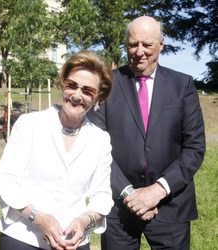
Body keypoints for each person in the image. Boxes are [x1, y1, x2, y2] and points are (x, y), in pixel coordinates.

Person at [88, 16, 206, 249]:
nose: (139, 51)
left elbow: (194, 147)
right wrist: (129, 194)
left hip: (171, 204)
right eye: (133, 44)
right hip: (119, 205)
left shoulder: (182, 85)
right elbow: (94, 145)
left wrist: (158, 190)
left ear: (161, 44)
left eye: (147, 44)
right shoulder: (107, 84)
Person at [0, 50, 114, 250]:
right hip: (22, 238)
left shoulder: (100, 140)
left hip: (73, 243)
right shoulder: (29, 124)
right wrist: (38, 217)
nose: (77, 95)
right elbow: (5, 181)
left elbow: (102, 195)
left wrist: (86, 221)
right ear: (62, 83)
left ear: (98, 96)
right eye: (72, 85)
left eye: (87, 91)